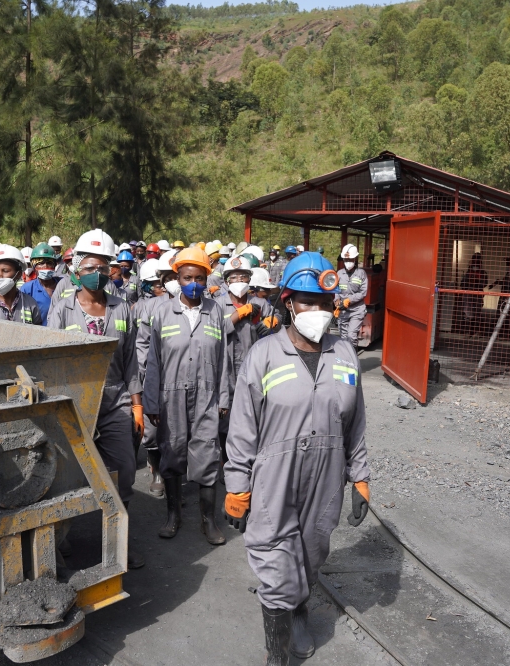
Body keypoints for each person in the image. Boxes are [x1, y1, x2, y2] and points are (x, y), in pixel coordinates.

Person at [223, 252, 370, 665]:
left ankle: (299, 608)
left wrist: (359, 476)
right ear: (288, 302)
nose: (318, 311)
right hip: (275, 473)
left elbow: (355, 422)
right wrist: (237, 484)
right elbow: (242, 428)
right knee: (273, 560)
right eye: (308, 301)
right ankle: (278, 655)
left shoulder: (344, 354)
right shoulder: (263, 355)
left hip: (327, 474)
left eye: (325, 303)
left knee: (311, 550)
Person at [47, 229, 144, 569]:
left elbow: (132, 358)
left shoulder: (122, 308)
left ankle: (118, 541)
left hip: (115, 400)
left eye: (104, 268)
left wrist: (137, 404)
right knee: (65, 473)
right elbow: (51, 359)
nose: (98, 273)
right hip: (72, 402)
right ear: (76, 268)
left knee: (124, 471)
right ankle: (60, 537)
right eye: (91, 266)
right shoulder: (61, 310)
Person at [144, 247, 229, 545]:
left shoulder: (216, 310)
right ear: (177, 279)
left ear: (207, 280)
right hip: (170, 395)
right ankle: (173, 516)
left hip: (207, 394)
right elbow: (152, 360)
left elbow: (223, 359)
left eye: (199, 278)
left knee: (207, 453)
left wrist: (224, 398)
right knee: (172, 452)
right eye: (187, 277)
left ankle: (209, 521)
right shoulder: (161, 311)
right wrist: (151, 401)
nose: (193, 283)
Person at [214, 255, 278, 464]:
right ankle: (227, 461)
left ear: (250, 279)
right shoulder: (217, 305)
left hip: (256, 368)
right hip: (226, 369)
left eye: (243, 276)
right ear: (226, 282)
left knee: (256, 414)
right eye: (234, 277)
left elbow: (276, 332)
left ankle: (254, 460)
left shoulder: (260, 303)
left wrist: (274, 323)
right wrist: (239, 314)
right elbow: (214, 332)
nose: (239, 280)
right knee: (227, 418)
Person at [133, 258, 168, 498]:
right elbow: (141, 344)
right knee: (153, 430)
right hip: (153, 377)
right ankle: (157, 471)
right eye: (157, 282)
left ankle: (174, 474)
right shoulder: (145, 308)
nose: (163, 286)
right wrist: (144, 376)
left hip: (181, 377)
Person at [337, 244, 369, 349]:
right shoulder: (339, 274)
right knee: (343, 337)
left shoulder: (361, 274)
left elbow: (363, 292)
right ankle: (345, 358)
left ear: (355, 258)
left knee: (351, 335)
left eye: (350, 259)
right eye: (346, 259)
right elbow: (335, 289)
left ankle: (353, 357)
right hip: (343, 311)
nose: (348, 262)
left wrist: (349, 300)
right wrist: (336, 300)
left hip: (357, 310)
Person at [20, 243, 60, 325]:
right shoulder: (27, 289)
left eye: (49, 263)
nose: (45, 266)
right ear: (34, 266)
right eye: (41, 263)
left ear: (55, 265)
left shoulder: (63, 285)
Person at [455, 252, 488, 335]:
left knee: (476, 313)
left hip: (477, 296)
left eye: (477, 261)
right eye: (474, 260)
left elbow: (484, 284)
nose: (475, 263)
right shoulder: (468, 272)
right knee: (467, 313)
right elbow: (462, 284)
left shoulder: (482, 273)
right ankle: (467, 331)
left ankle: (474, 331)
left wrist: (476, 281)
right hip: (468, 296)